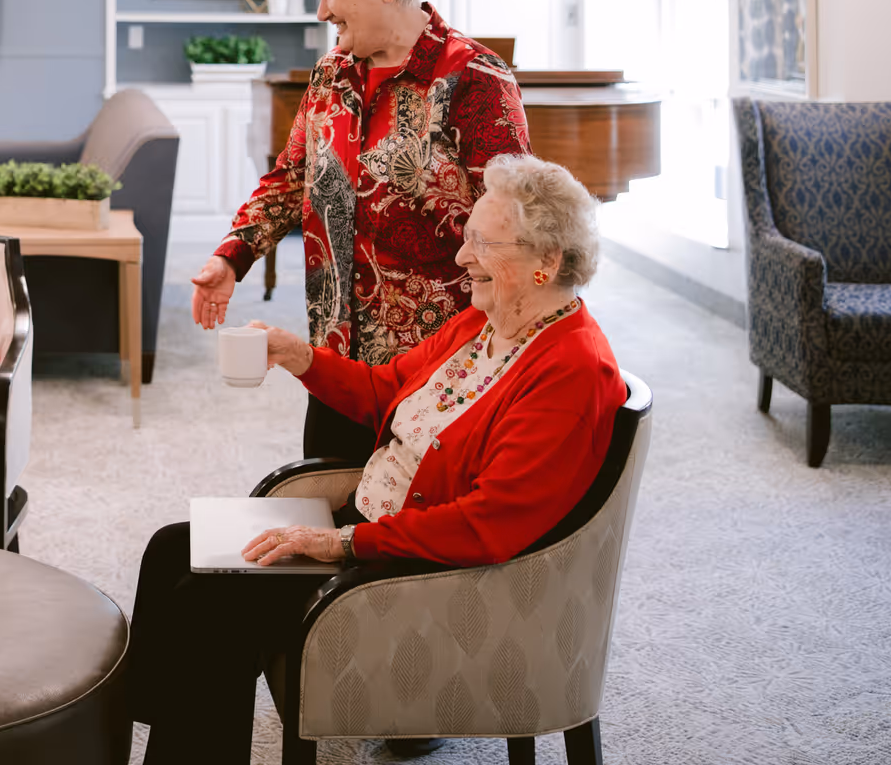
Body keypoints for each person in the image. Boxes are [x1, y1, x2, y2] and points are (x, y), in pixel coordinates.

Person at [131, 155, 628, 763]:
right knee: (168, 551)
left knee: (211, 604)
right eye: (466, 237)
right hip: (373, 525)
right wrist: (297, 355)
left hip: (426, 570)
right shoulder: (484, 321)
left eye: (480, 243)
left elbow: (486, 524)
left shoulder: (570, 373)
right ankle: (157, 725)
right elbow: (385, 390)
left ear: (544, 263)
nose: (462, 258)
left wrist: (339, 544)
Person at [190, 0, 529, 462]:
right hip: (335, 358)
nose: (321, 10)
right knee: (327, 502)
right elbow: (290, 178)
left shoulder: (474, 78)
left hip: (439, 364)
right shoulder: (331, 74)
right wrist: (232, 258)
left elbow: (513, 221)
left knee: (412, 523)